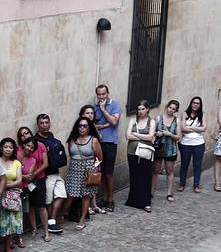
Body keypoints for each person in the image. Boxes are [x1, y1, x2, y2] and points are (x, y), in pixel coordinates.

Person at [63, 117, 101, 231]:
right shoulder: (72, 140)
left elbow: (99, 158)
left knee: (86, 195)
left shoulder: (93, 140)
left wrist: (93, 169)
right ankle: (63, 214)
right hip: (74, 169)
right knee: (70, 193)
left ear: (89, 127)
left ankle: (82, 220)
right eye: (80, 125)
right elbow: (71, 154)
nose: (82, 128)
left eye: (85, 125)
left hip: (88, 170)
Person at [92, 84, 123, 212]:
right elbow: (93, 125)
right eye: (99, 94)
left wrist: (104, 109)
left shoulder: (115, 105)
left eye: (103, 94)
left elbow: (114, 122)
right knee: (101, 172)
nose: (101, 97)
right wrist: (104, 125)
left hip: (110, 143)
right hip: (98, 143)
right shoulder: (94, 107)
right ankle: (104, 197)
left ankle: (110, 199)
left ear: (107, 93)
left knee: (109, 174)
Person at [37, 113, 69, 232]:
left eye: (46, 123)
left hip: (56, 172)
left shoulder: (52, 137)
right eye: (42, 123)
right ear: (38, 125)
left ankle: (52, 219)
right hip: (46, 175)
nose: (45, 125)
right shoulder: (37, 141)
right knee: (48, 199)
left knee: (61, 194)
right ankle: (51, 222)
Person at [124, 101, 157, 212]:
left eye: (142, 109)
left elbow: (150, 137)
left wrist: (136, 135)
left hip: (145, 153)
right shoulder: (133, 121)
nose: (140, 111)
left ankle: (146, 202)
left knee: (145, 176)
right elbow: (127, 135)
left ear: (147, 109)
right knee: (134, 176)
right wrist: (143, 137)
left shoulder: (151, 121)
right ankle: (134, 200)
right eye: (138, 109)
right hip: (132, 152)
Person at [18, 128, 49, 242]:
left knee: (41, 205)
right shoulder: (19, 150)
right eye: (22, 135)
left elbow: (45, 163)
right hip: (24, 184)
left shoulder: (40, 146)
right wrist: (26, 177)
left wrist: (33, 175)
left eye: (27, 133)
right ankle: (34, 229)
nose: (25, 136)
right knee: (30, 206)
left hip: (38, 180)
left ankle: (46, 231)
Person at [0, 138, 24, 252]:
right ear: (1, 147)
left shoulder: (17, 163)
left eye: (10, 147)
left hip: (13, 196)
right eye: (6, 147)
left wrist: (4, 185)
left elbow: (19, 181)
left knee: (10, 222)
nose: (8, 149)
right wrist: (2, 186)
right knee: (0, 222)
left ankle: (8, 246)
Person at [153, 99, 180, 202]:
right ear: (167, 107)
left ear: (176, 111)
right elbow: (152, 132)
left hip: (170, 149)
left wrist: (170, 134)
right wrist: (157, 134)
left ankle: (169, 192)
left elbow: (178, 137)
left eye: (173, 109)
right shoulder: (158, 118)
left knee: (169, 171)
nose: (171, 110)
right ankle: (152, 190)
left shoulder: (176, 121)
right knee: (155, 170)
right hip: (159, 148)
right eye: (170, 108)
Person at [178, 96, 206, 193]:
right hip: (185, 143)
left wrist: (189, 127)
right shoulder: (185, 114)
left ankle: (196, 185)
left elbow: (204, 128)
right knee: (184, 164)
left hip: (199, 143)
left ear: (200, 105)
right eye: (194, 102)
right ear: (191, 103)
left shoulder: (202, 115)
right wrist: (197, 129)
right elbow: (183, 128)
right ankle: (182, 184)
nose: (195, 104)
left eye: (197, 103)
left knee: (197, 165)